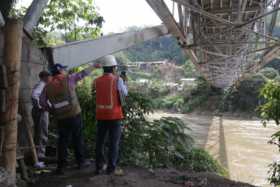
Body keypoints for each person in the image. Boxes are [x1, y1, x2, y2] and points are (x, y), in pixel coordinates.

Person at [40, 63, 100, 174]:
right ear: (60, 71)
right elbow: (82, 74)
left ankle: (61, 167)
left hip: (61, 117)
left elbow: (42, 102)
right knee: (77, 138)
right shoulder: (69, 79)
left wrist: (52, 110)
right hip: (74, 114)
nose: (65, 71)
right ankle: (81, 163)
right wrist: (94, 66)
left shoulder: (47, 87)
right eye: (63, 69)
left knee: (62, 141)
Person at [93, 55, 128, 175]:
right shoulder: (118, 80)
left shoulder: (96, 81)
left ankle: (98, 167)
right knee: (114, 143)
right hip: (114, 116)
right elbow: (124, 93)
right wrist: (124, 82)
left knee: (100, 142)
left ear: (103, 68)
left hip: (101, 116)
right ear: (114, 68)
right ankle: (111, 168)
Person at [31, 70, 51, 168]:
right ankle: (40, 157)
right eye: (48, 76)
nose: (50, 78)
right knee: (43, 133)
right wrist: (40, 107)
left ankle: (36, 156)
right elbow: (34, 95)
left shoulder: (41, 84)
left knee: (39, 133)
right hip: (41, 112)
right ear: (44, 77)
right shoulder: (42, 85)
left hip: (39, 111)